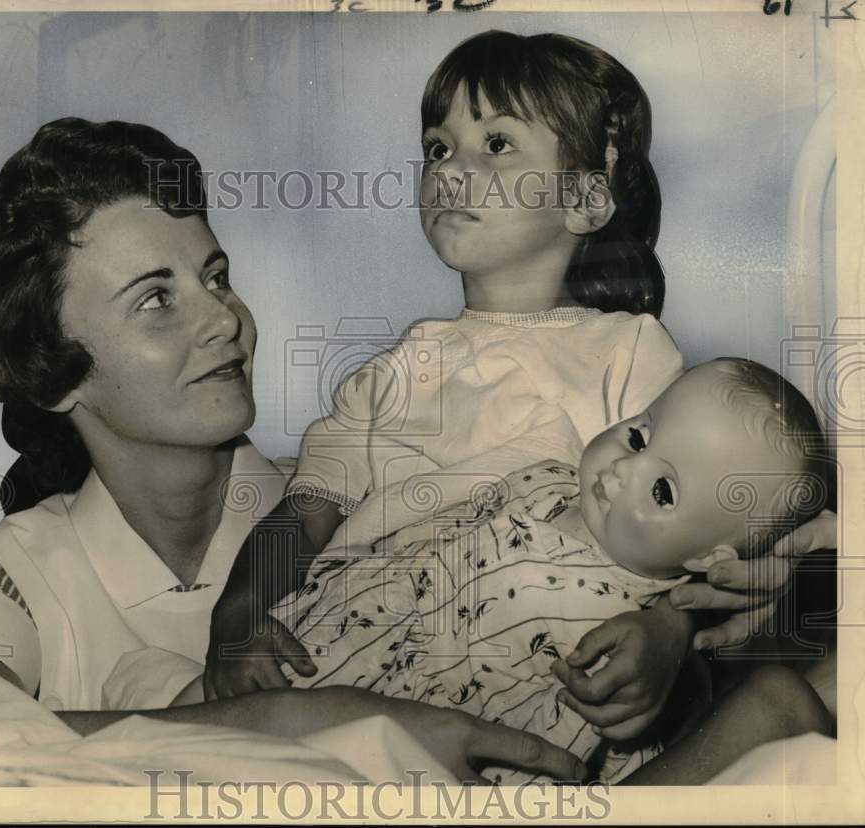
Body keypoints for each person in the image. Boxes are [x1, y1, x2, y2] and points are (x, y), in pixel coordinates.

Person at [0, 117, 587, 784]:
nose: (223, 318)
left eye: (216, 276)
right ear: (56, 373)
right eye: (155, 300)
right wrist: (299, 722)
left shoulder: (366, 510)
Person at [204, 30, 836, 739]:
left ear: (586, 200)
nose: (448, 168)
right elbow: (304, 515)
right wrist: (236, 618)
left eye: (497, 143)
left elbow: (684, 523)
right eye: (438, 148)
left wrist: (669, 631)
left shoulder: (627, 351)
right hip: (354, 654)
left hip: (517, 685)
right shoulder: (388, 374)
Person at [268, 358, 831, 783]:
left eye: (662, 489)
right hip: (336, 639)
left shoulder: (610, 637)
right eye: (638, 435)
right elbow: (418, 536)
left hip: (413, 737)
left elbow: (531, 747)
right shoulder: (547, 477)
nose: (621, 469)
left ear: (710, 560)